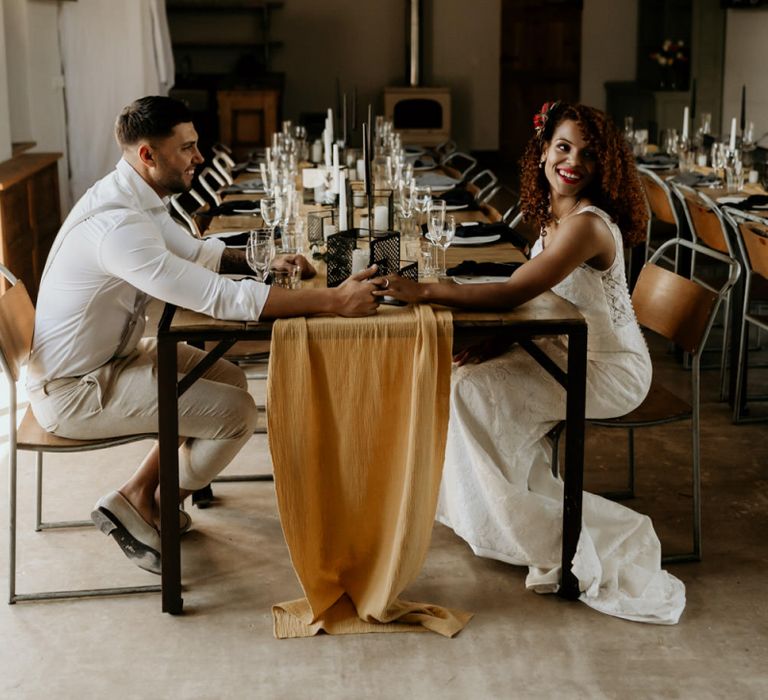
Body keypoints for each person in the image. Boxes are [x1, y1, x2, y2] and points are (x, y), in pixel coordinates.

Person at [27, 96, 381, 575]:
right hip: (75, 390)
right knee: (235, 414)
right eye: (188, 148)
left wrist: (262, 262)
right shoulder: (118, 226)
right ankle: (142, 498)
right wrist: (334, 302)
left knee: (230, 379)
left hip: (113, 357)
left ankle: (136, 495)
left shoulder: (133, 195)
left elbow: (197, 254)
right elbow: (220, 299)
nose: (199, 157)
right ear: (149, 155)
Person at [374, 102, 686, 624]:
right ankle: (504, 509)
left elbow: (516, 290)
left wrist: (423, 289)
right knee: (459, 377)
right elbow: (548, 301)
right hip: (566, 344)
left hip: (609, 367)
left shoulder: (586, 225)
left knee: (467, 393)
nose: (572, 161)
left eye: (587, 154)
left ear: (603, 165)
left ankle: (548, 534)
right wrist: (500, 343)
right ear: (543, 151)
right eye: (563, 147)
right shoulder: (557, 216)